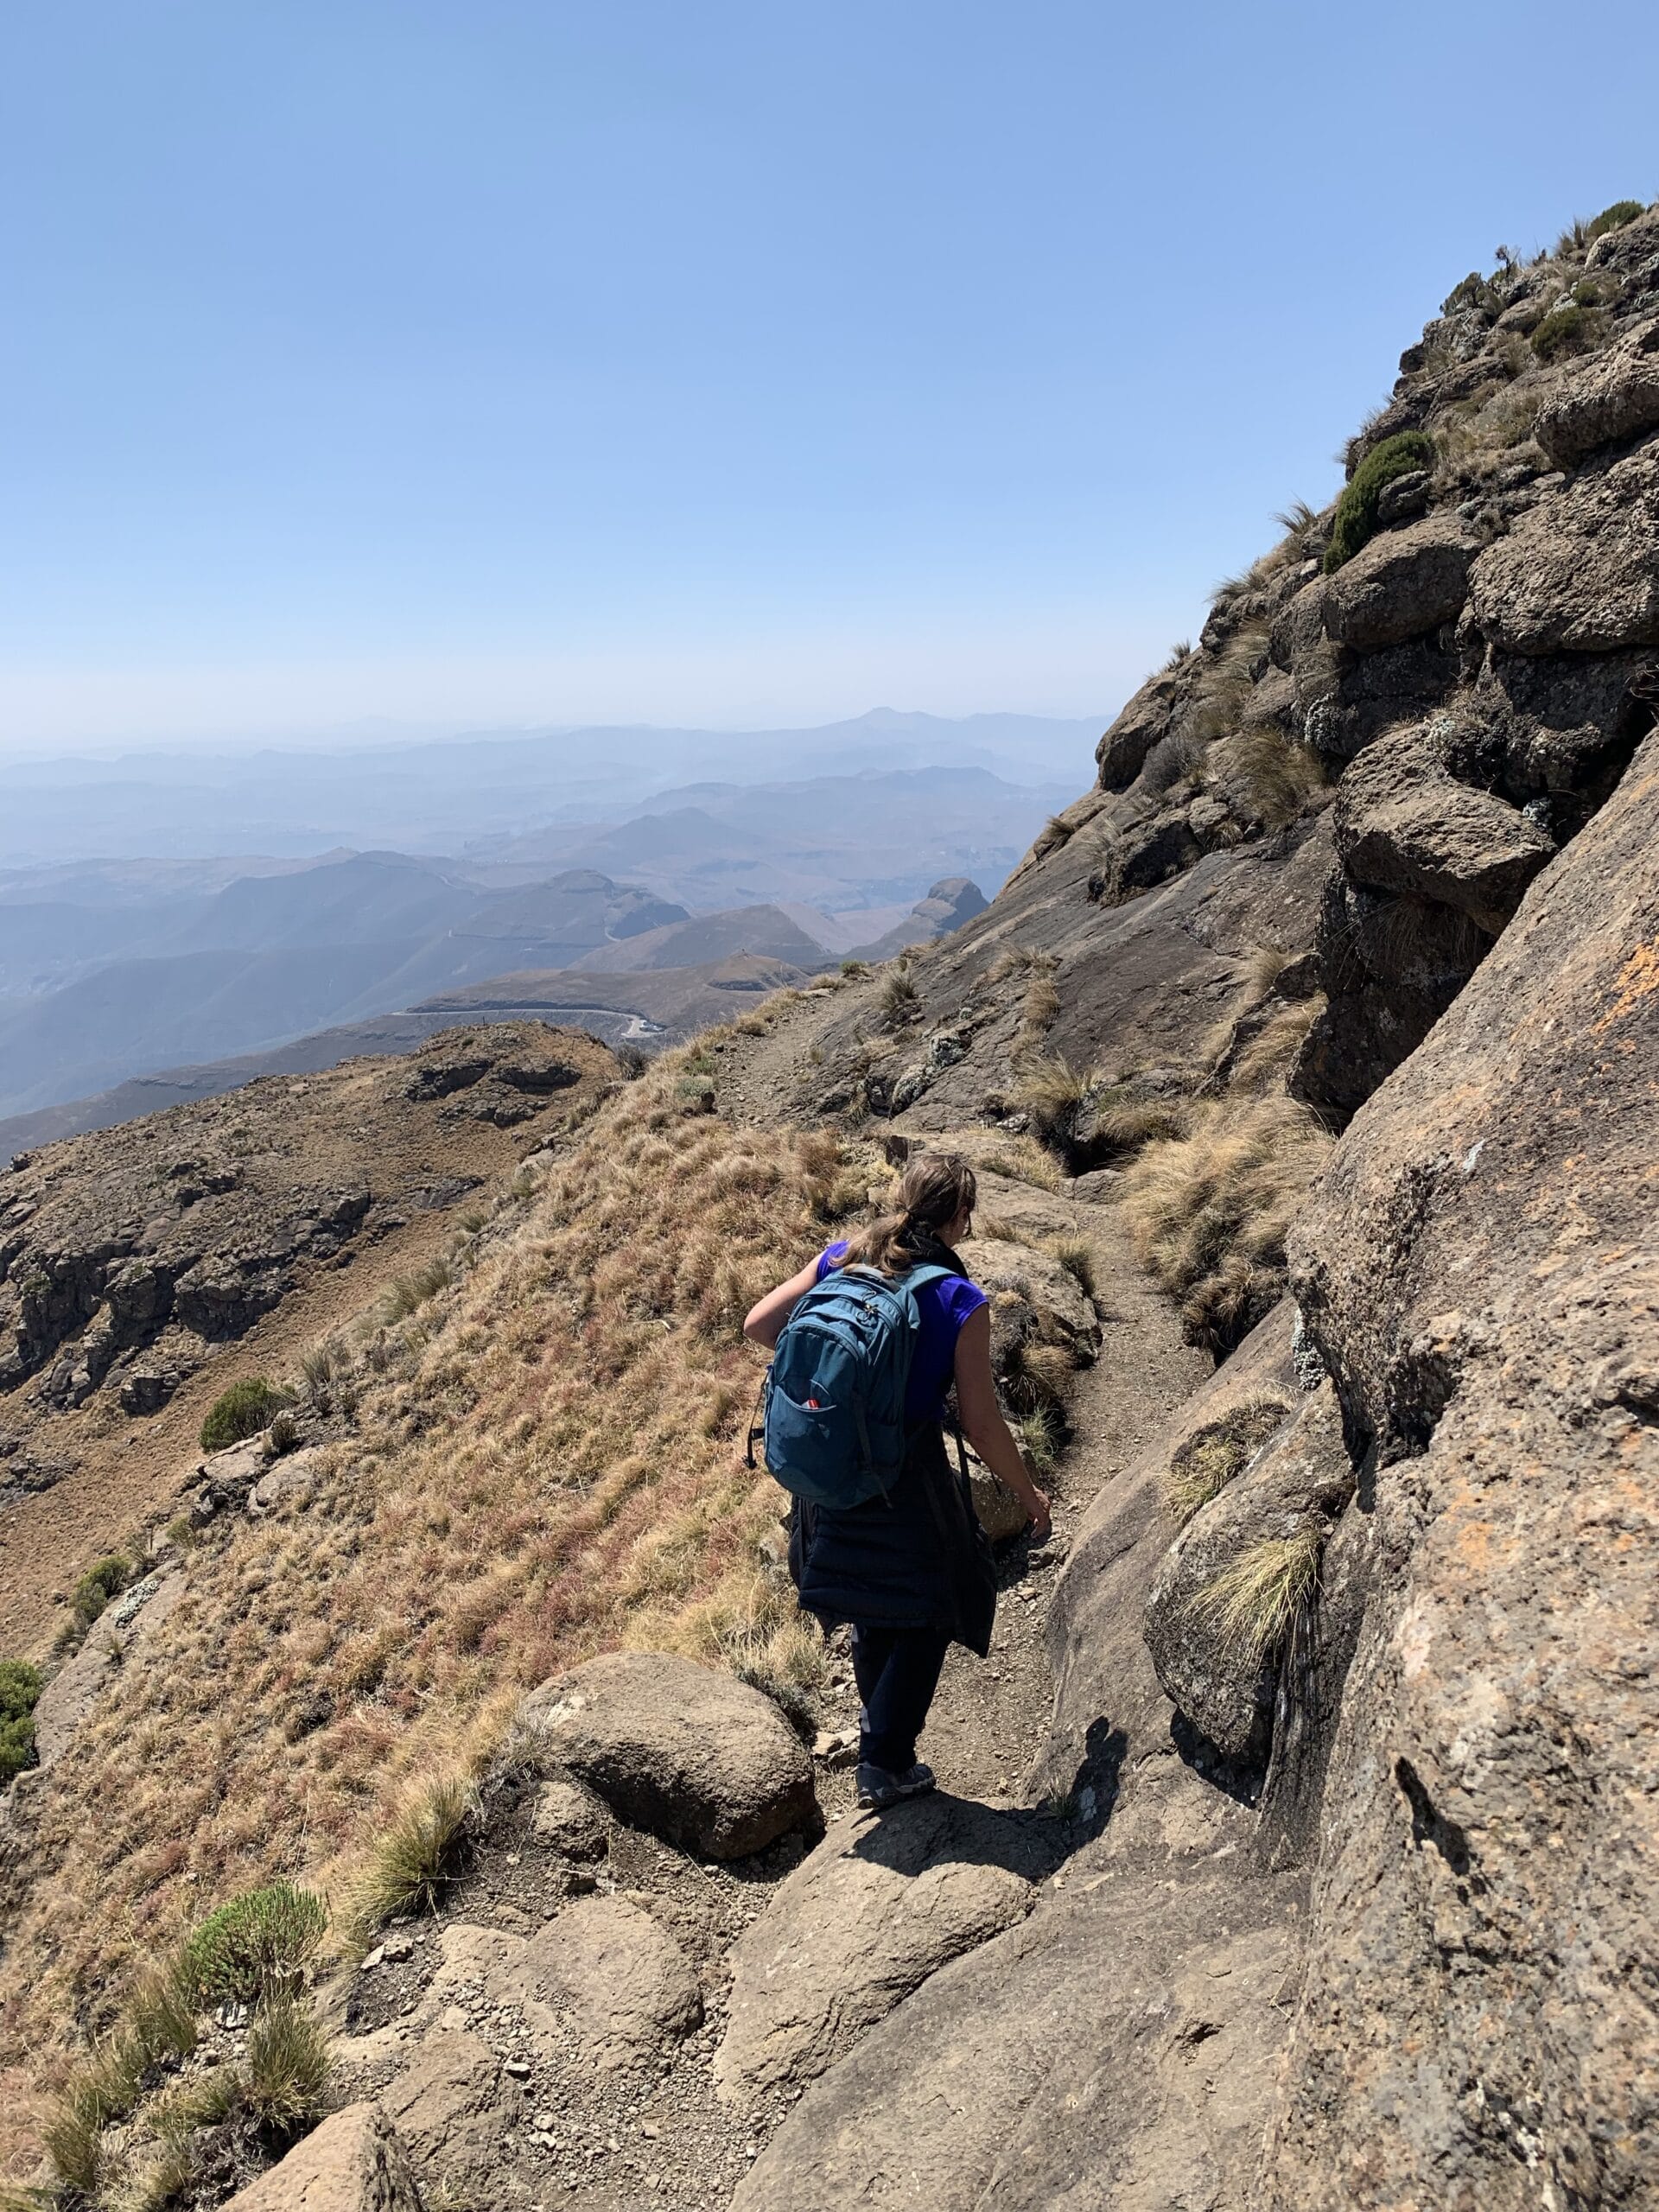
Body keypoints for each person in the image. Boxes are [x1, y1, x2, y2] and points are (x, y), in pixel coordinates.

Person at [743, 1150, 1052, 1810]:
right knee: (933, 1600)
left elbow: (759, 1325)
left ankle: (879, 1742)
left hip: (830, 1467)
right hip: (901, 1473)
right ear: (961, 1217)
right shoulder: (958, 1298)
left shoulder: (843, 1257)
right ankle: (885, 1760)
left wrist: (837, 1382)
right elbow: (981, 1423)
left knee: (865, 1595)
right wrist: (1028, 1496)